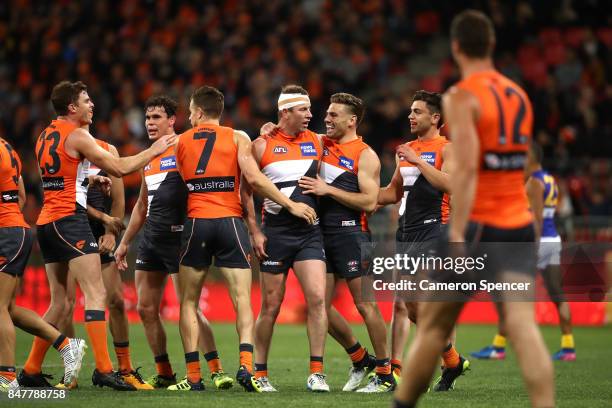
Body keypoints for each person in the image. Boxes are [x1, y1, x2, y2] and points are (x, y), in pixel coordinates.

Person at [393, 10, 554, 408]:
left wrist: (459, 234)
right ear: (492, 45)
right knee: (522, 327)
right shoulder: (518, 94)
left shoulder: (462, 96)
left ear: (456, 47)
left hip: (479, 224)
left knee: (432, 327)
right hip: (517, 223)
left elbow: (464, 170)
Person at [21, 80, 174, 391]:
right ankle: (105, 369)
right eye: (86, 100)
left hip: (47, 223)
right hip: (69, 222)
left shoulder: (45, 135)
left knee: (61, 303)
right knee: (97, 294)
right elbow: (119, 168)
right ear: (72, 108)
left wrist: (89, 180)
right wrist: (155, 150)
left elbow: (58, 176)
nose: (92, 105)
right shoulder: (78, 134)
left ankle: (31, 369)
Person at [172, 85, 317, 392]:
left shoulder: (180, 141)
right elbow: (253, 179)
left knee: (188, 302)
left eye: (189, 111)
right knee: (242, 299)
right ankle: (247, 368)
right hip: (230, 222)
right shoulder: (238, 137)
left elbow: (176, 186)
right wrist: (290, 204)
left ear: (198, 112)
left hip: (197, 221)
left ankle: (194, 377)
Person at [115, 95, 234, 390]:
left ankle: (216, 370)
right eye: (147, 118)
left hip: (181, 237)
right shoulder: (148, 157)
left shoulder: (186, 146)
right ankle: (165, 371)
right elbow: (142, 205)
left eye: (156, 117)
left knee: (189, 307)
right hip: (151, 239)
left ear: (172, 121)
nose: (150, 123)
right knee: (145, 308)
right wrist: (124, 242)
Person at [296, 93, 394, 393]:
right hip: (318, 234)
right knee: (318, 307)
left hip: (351, 234)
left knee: (365, 305)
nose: (327, 118)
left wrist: (328, 190)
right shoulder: (319, 143)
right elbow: (286, 131)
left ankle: (385, 373)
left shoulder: (365, 154)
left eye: (334, 115)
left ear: (352, 120)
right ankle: (359, 357)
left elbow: (369, 201)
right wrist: (267, 128)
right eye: (326, 113)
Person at [378, 90, 468, 391]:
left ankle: (428, 367)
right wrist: (356, 196)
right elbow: (393, 192)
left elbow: (451, 184)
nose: (410, 116)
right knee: (411, 306)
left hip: (435, 229)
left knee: (425, 302)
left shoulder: (449, 149)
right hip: (407, 233)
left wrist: (418, 161)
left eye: (417, 111)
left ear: (435, 117)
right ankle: (453, 361)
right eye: (410, 111)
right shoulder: (404, 150)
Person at [243, 85, 329, 392]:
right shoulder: (261, 145)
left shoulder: (319, 141)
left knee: (318, 299)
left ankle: (317, 373)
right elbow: (246, 192)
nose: (310, 114)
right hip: (276, 233)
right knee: (271, 305)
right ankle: (260, 373)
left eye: (309, 109)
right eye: (303, 110)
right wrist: (255, 230)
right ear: (285, 112)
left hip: (310, 233)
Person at [470, 142, 575, 361]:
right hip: (552, 239)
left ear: (531, 157)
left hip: (536, 243)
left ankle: (499, 347)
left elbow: (535, 219)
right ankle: (568, 347)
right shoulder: (549, 179)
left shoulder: (534, 182)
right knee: (557, 293)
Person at [0, 137, 86, 391]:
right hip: (16, 230)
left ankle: (6, 377)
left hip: (6, 233)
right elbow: (22, 196)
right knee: (10, 309)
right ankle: (65, 345)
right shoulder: (7, 148)